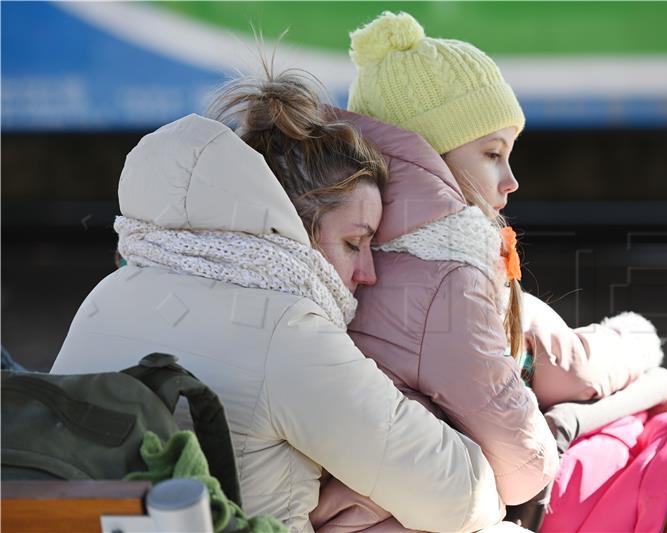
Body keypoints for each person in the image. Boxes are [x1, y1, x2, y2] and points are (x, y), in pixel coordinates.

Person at [50, 68, 507, 532]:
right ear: (291, 227)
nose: (368, 274)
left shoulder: (110, 292)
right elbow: (457, 496)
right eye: (354, 242)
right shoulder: (284, 330)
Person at [311, 11, 667, 531]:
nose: (511, 181)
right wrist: (641, 338)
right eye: (493, 154)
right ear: (428, 156)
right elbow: (533, 440)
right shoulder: (446, 272)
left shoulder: (345, 241)